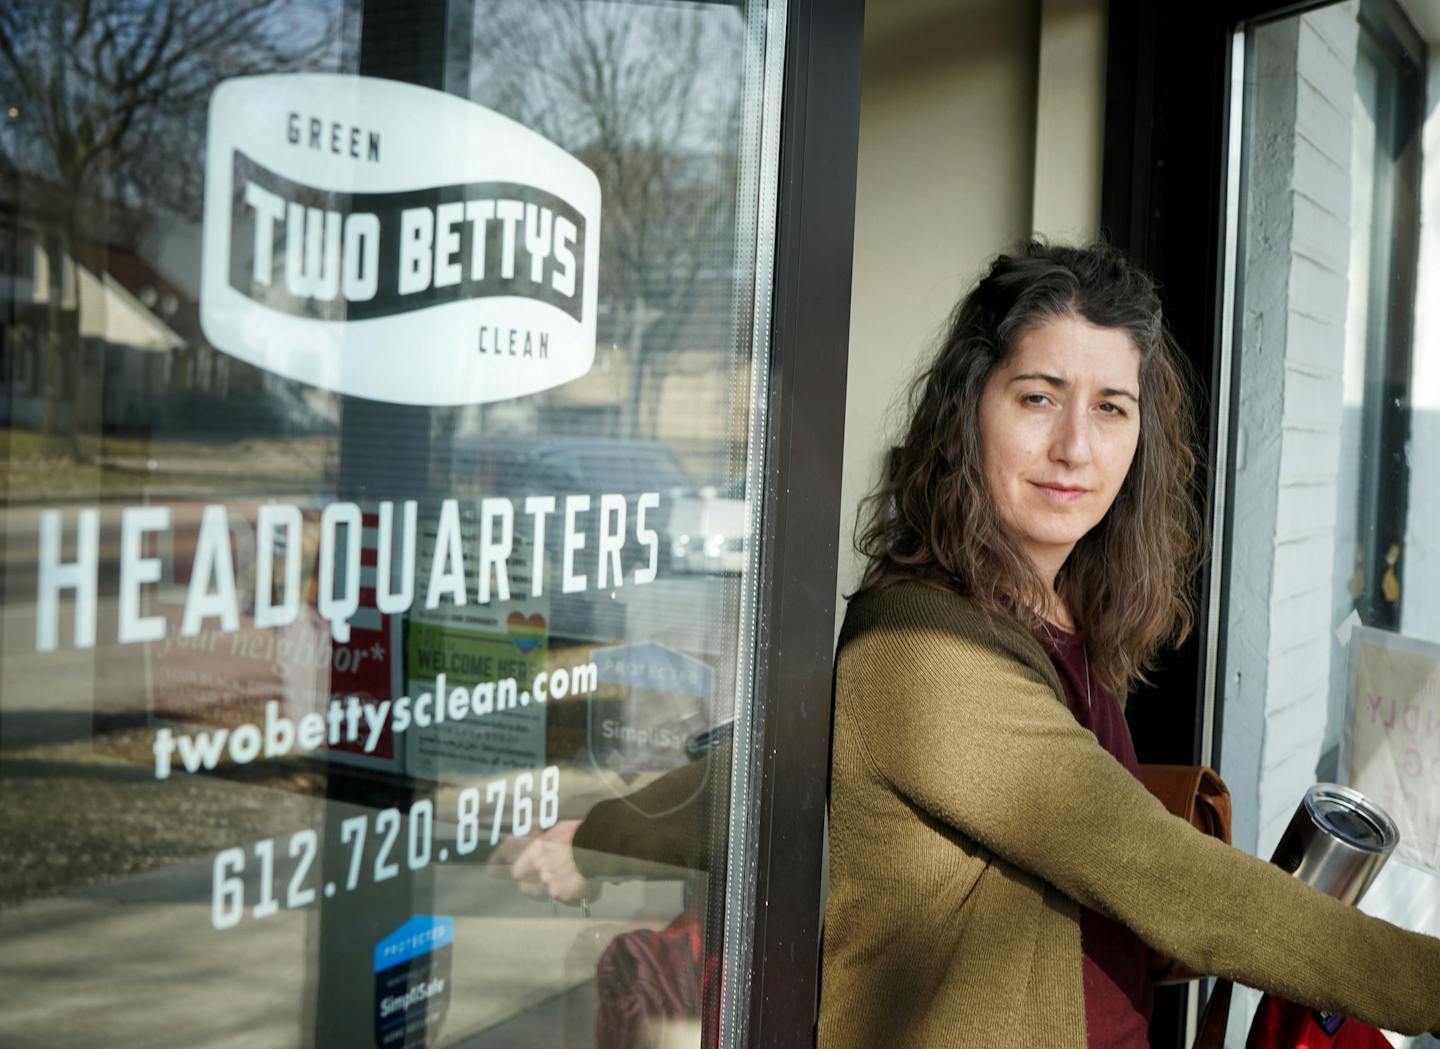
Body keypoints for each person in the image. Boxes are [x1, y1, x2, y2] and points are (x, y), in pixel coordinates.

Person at [817, 241, 1440, 1049]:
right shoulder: (920, 648)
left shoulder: (1055, 612)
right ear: (970, 408)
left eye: (1112, 406)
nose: (1076, 446)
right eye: (1039, 398)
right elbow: (1160, 875)